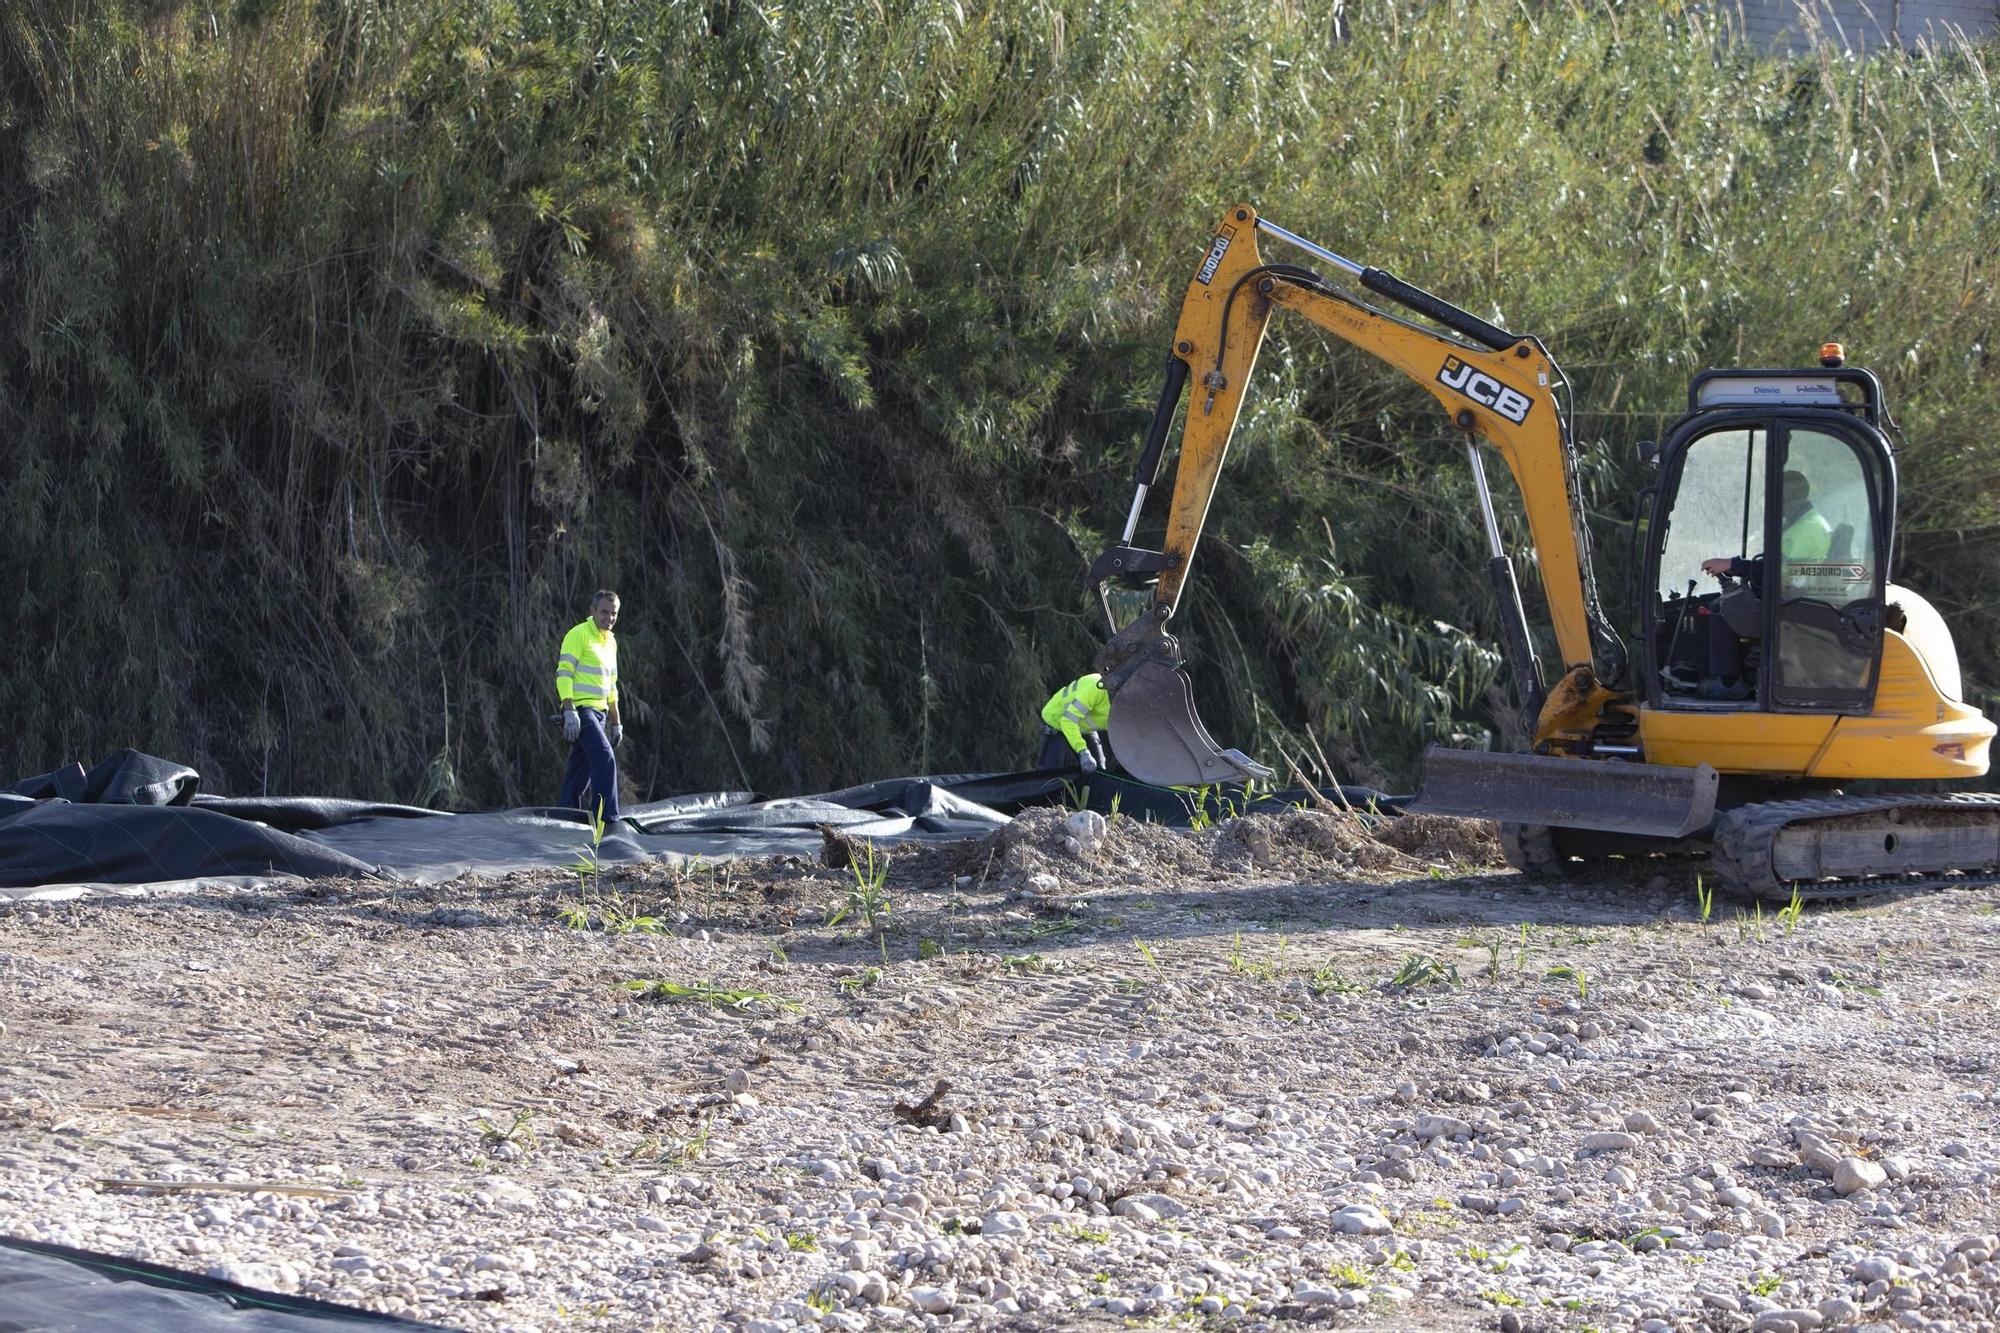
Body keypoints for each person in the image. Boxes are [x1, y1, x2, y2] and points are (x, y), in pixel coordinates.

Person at [556, 590, 623, 824]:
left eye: (613, 613)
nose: (609, 617)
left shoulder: (611, 642)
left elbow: (612, 685)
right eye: (604, 612)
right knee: (605, 757)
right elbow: (564, 674)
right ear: (592, 611)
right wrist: (569, 710)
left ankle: (565, 818)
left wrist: (616, 722)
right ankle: (607, 821)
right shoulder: (578, 634)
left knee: (579, 772)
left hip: (601, 714)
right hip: (582, 712)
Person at [1701, 469, 1833, 586]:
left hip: (1792, 604)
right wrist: (1733, 568)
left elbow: (1773, 570)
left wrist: (1731, 564)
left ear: (1790, 499)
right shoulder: (1800, 522)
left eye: (1775, 496)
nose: (1771, 503)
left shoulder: (1808, 529)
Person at [1037, 672, 1111, 773]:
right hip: (1056, 723)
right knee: (1052, 777)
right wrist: (1083, 752)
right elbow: (1068, 721)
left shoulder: (1129, 706)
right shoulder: (1096, 688)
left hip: (1084, 729)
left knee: (1099, 771)